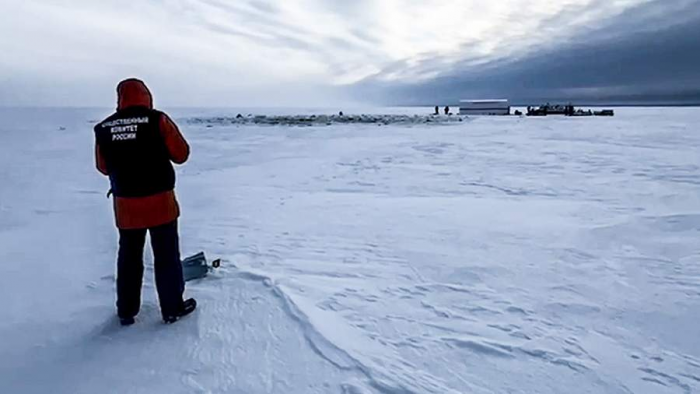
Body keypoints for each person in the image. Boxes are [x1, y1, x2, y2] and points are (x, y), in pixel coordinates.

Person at [94, 78, 196, 326]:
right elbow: (181, 154)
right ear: (146, 96)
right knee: (166, 256)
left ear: (120, 98)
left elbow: (102, 167)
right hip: (160, 203)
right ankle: (172, 308)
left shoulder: (104, 128)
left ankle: (126, 311)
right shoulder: (157, 120)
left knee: (129, 257)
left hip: (127, 206)